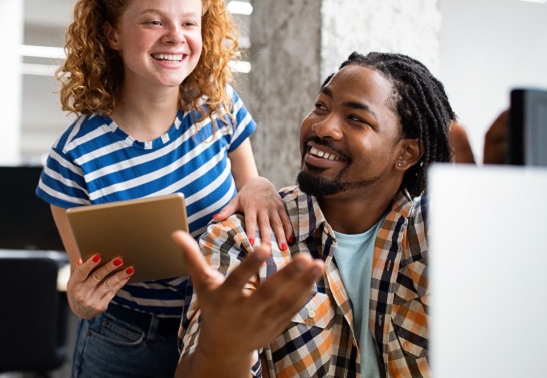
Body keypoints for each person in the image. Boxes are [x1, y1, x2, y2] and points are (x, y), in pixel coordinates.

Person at [35, 0, 290, 377]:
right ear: (113, 34)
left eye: (189, 23)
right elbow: (83, 283)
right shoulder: (74, 155)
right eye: (154, 21)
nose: (176, 36)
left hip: (218, 330)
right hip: (124, 341)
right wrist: (81, 300)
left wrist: (260, 185)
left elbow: (250, 192)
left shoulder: (217, 108)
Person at [176, 51, 455, 377]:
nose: (323, 126)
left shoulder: (437, 235)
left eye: (356, 119)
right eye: (321, 106)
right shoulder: (244, 241)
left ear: (405, 153)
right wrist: (223, 348)